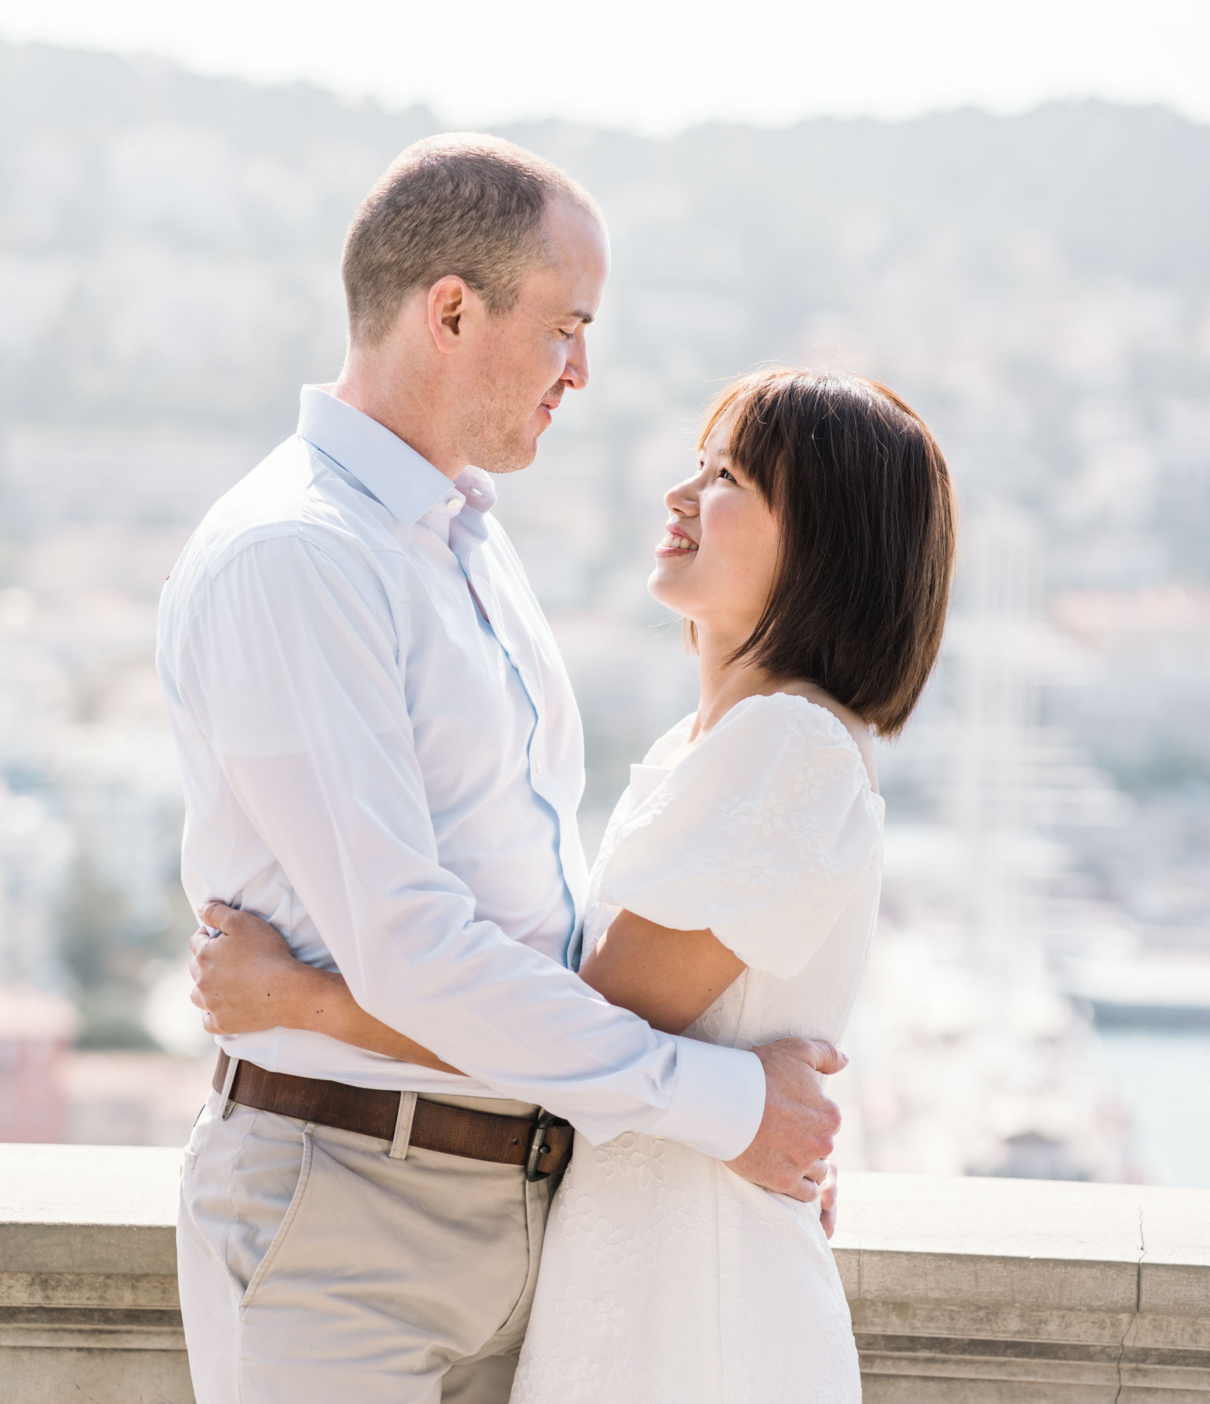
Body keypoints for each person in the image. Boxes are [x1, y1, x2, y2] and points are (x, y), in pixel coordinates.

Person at [159, 135, 850, 1404]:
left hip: (530, 1208)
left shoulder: (463, 539)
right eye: (565, 329)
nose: (582, 373)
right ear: (452, 310)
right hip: (347, 1213)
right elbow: (411, 944)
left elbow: (541, 927)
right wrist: (723, 1106)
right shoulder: (298, 559)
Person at [190, 366, 957, 1402]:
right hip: (634, 1243)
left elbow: (575, 1026)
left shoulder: (786, 747)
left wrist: (307, 1001)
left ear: (825, 542)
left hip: (693, 1276)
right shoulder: (720, 744)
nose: (681, 496)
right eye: (695, 464)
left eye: (727, 476)